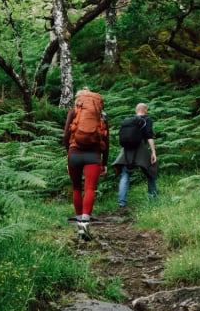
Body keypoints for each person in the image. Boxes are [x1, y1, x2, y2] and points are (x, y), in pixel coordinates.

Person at [63, 88, 109, 241]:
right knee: (89, 189)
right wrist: (105, 163)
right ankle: (85, 227)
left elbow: (65, 135)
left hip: (74, 154)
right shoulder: (101, 115)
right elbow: (107, 141)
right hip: (94, 155)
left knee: (76, 188)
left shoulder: (73, 112)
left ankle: (78, 226)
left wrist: (68, 154)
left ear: (79, 99)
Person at [112, 102, 158, 209]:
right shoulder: (147, 120)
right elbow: (149, 136)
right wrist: (153, 152)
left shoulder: (129, 121)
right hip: (140, 149)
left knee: (125, 175)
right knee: (151, 170)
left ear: (135, 111)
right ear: (145, 110)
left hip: (126, 150)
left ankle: (121, 203)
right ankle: (153, 199)